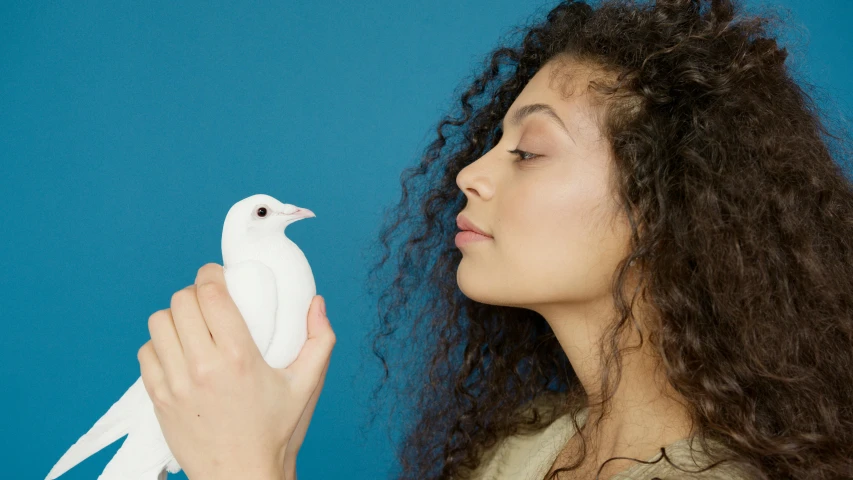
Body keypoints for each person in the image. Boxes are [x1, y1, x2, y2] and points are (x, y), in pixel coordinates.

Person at [138, 0, 853, 479]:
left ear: (667, 206)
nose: (467, 172)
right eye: (493, 142)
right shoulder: (521, 451)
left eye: (528, 150)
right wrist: (273, 454)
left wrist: (240, 466)